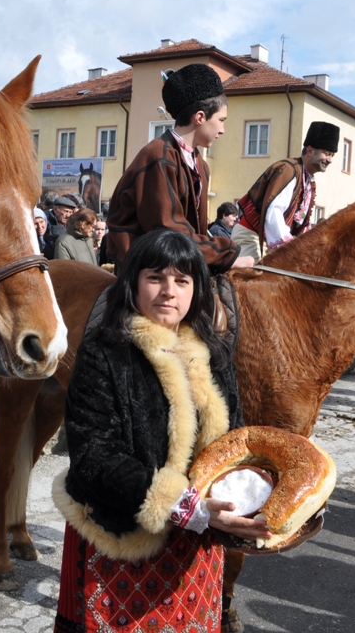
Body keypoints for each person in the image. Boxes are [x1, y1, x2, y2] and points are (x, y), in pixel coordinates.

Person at [53, 229, 268, 633]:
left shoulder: (213, 356)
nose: (169, 291)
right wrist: (186, 507)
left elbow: (234, 443)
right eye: (155, 277)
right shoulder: (104, 352)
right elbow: (93, 455)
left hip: (197, 544)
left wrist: (260, 496)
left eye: (182, 281)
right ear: (133, 283)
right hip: (120, 533)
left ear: (196, 290)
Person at [105, 63, 253, 273]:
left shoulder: (200, 163)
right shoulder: (158, 157)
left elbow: (192, 230)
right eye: (221, 120)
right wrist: (227, 254)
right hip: (144, 269)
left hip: (177, 261)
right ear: (200, 117)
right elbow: (168, 230)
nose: (223, 130)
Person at [232, 121, 340, 262]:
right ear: (309, 151)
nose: (330, 160)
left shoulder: (308, 180)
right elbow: (274, 211)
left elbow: (301, 223)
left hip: (268, 240)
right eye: (326, 154)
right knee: (252, 279)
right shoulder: (288, 169)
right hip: (251, 236)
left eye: (332, 155)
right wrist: (290, 247)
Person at [43, 194, 79, 259]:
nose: (68, 215)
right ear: (55, 210)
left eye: (70, 212)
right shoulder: (46, 223)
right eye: (66, 211)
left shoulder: (72, 224)